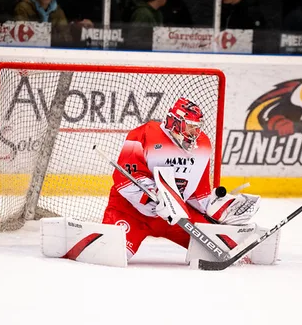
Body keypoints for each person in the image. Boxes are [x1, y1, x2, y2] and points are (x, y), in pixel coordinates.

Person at [102, 97, 261, 261]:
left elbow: (197, 194)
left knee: (220, 247)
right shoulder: (144, 134)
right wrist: (152, 198)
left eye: (197, 127)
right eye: (190, 126)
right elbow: (125, 179)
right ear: (175, 122)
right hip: (132, 212)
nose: (195, 132)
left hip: (176, 217)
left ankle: (245, 246)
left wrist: (220, 207)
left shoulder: (202, 144)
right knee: (110, 254)